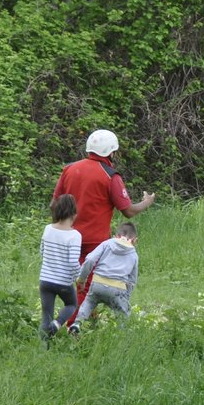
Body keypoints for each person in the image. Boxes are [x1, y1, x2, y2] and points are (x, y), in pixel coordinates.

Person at [51, 129, 154, 302]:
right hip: (94, 241)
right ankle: (75, 324)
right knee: (86, 283)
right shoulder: (110, 176)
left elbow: (54, 205)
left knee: (65, 280)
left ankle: (80, 318)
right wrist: (147, 202)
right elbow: (128, 211)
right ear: (111, 152)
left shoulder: (69, 169)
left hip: (67, 236)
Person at [71, 222, 140, 329]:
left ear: (115, 235)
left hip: (97, 284)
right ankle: (122, 335)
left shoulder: (107, 244)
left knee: (89, 302)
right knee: (123, 314)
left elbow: (90, 259)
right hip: (117, 289)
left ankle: (77, 324)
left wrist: (82, 279)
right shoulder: (133, 254)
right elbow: (132, 279)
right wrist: (126, 297)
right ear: (135, 240)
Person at [39, 194, 80, 341]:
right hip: (63, 282)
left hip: (45, 280)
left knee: (46, 316)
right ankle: (57, 324)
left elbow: (42, 252)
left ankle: (43, 349)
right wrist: (79, 278)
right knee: (72, 304)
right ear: (74, 214)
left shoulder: (48, 229)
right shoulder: (75, 235)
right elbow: (73, 262)